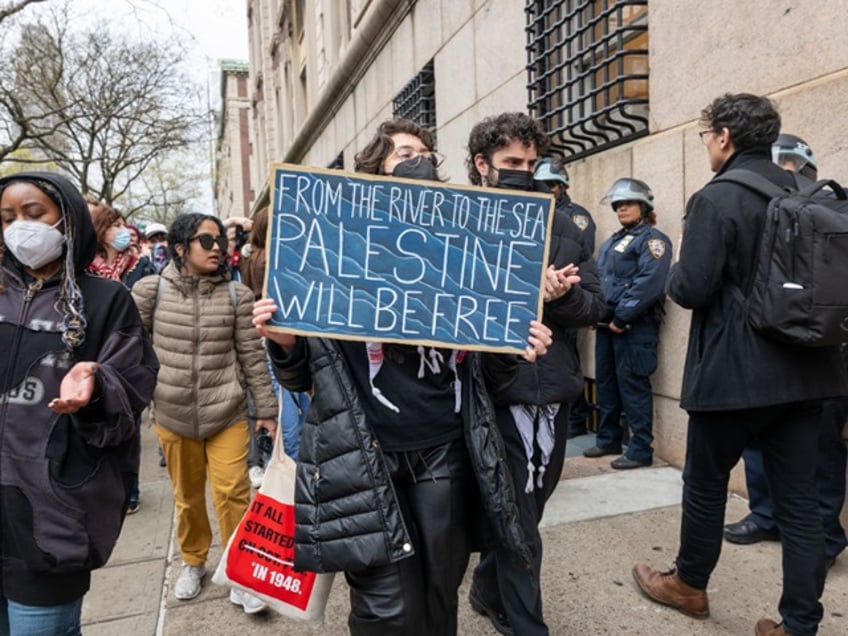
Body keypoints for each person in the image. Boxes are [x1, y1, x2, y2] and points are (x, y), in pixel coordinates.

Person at [253, 118, 553, 636]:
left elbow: (490, 377)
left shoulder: (458, 253)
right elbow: (305, 378)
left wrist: (513, 348)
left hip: (443, 449)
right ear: (374, 171)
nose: (420, 160)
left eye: (427, 153)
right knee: (387, 607)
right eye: (405, 152)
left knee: (439, 591)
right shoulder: (336, 252)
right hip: (363, 456)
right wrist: (283, 344)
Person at [631, 93, 848, 636]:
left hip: (733, 374)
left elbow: (691, 289)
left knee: (705, 484)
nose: (706, 145)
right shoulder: (802, 190)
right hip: (806, 372)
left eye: (706, 136)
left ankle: (689, 586)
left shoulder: (716, 198)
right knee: (800, 504)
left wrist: (683, 257)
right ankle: (799, 624)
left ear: (724, 136)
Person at [465, 113, 606, 636]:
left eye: (531, 163)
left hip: (555, 392)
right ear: (483, 166)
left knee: (531, 504)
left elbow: (595, 306)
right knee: (519, 516)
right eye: (511, 164)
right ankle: (526, 624)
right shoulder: (462, 224)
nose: (524, 172)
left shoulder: (567, 227)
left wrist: (561, 295)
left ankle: (485, 585)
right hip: (497, 392)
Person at [0, 171, 158, 634]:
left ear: (67, 221)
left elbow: (133, 389)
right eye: (6, 218)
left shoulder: (106, 299)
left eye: (33, 215)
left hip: (52, 515)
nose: (18, 228)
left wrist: (96, 381)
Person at [131, 213, 277, 614]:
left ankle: (239, 570)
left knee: (233, 491)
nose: (218, 249)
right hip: (173, 416)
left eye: (221, 242)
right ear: (181, 248)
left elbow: (252, 357)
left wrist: (266, 409)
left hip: (226, 413)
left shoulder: (236, 296)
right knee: (188, 498)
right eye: (207, 241)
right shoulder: (150, 291)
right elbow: (127, 350)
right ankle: (193, 561)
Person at [722, 134, 848, 571]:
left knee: (821, 448)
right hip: (770, 347)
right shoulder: (763, 211)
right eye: (781, 164)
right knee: (759, 440)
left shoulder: (836, 209)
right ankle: (765, 515)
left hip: (825, 351)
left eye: (793, 163)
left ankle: (826, 537)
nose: (786, 171)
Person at [582, 178, 671, 469]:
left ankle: (640, 448)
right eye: (618, 204)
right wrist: (595, 313)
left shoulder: (653, 240)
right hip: (607, 325)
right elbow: (599, 280)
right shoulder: (612, 242)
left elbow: (649, 283)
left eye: (628, 203)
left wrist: (622, 316)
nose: (621, 208)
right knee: (607, 383)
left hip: (634, 327)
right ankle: (608, 438)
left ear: (644, 206)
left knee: (633, 386)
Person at [88, 202, 157, 513]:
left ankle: (130, 490)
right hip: (98, 352)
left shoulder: (140, 265)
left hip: (131, 353)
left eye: (124, 224)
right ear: (101, 232)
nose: (122, 232)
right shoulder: (87, 269)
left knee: (130, 418)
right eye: (115, 225)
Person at [239, 206, 309, 487]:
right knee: (292, 424)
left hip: (274, 342)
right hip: (279, 342)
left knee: (290, 418)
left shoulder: (253, 256)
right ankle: (289, 484)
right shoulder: (270, 259)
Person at [533, 156, 598, 440]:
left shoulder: (575, 218)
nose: (548, 188)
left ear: (562, 186)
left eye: (553, 184)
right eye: (544, 183)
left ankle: (574, 418)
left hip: (565, 297)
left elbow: (579, 257)